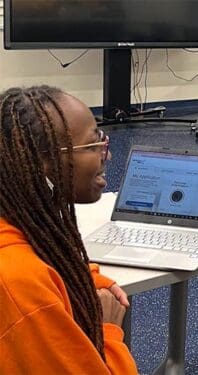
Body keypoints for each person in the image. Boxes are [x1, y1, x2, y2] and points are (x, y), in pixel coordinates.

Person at [0, 86, 137, 373]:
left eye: (102, 139)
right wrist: (108, 328)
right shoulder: (21, 285)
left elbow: (42, 251)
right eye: (92, 146)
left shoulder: (17, 217)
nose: (106, 155)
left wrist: (84, 277)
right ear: (41, 165)